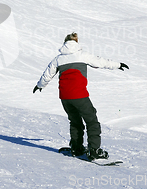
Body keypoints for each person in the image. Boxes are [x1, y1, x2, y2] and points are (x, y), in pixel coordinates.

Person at [33, 32, 129, 160]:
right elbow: (101, 62)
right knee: (92, 121)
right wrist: (118, 65)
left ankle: (76, 148)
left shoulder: (58, 59)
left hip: (65, 97)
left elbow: (47, 74)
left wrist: (40, 85)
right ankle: (94, 150)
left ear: (65, 43)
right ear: (76, 42)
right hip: (79, 95)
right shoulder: (82, 55)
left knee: (75, 121)